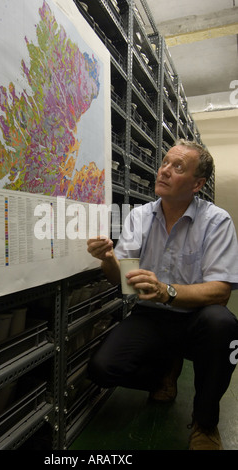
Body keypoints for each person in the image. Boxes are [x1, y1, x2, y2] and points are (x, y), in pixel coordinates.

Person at [86, 139, 238, 450]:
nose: (165, 170)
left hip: (196, 317)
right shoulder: (139, 216)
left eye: (177, 167)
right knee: (102, 370)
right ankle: (163, 372)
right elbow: (123, 280)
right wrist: (107, 258)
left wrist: (167, 291)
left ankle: (205, 423)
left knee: (223, 325)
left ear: (197, 184)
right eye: (165, 162)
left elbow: (220, 291)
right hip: (152, 315)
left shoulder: (217, 221)